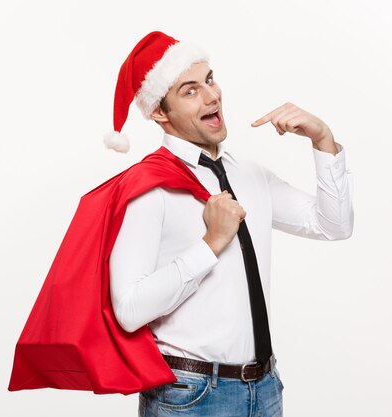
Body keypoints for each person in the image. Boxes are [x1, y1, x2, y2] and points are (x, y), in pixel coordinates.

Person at [105, 31, 354, 417]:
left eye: (209, 79)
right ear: (159, 112)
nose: (211, 95)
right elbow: (129, 308)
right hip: (191, 398)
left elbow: (332, 225)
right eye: (190, 91)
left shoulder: (250, 175)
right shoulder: (149, 189)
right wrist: (209, 244)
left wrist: (323, 140)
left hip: (266, 388)